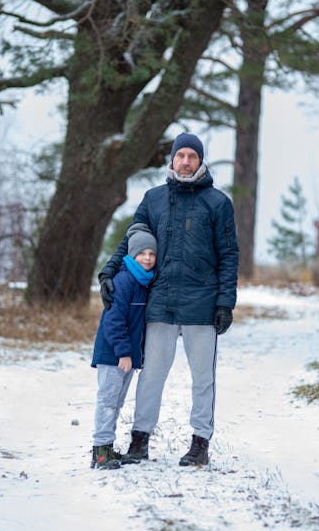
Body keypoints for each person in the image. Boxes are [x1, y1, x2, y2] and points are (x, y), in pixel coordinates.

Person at [98, 132, 239, 467]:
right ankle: (139, 440)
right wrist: (108, 271)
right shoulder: (154, 199)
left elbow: (229, 255)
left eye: (192, 156)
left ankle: (200, 443)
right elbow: (131, 239)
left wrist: (225, 302)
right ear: (172, 160)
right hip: (159, 303)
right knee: (151, 376)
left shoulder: (218, 203)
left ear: (200, 161)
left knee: (203, 377)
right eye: (181, 156)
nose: (186, 161)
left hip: (202, 305)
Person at [90, 223, 157, 470]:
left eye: (152, 254)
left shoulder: (143, 282)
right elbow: (113, 320)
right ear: (131, 254)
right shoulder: (124, 280)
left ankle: (107, 447)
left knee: (116, 402)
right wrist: (124, 353)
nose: (148, 259)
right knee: (107, 401)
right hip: (114, 355)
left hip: (125, 356)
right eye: (142, 254)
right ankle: (99, 451)